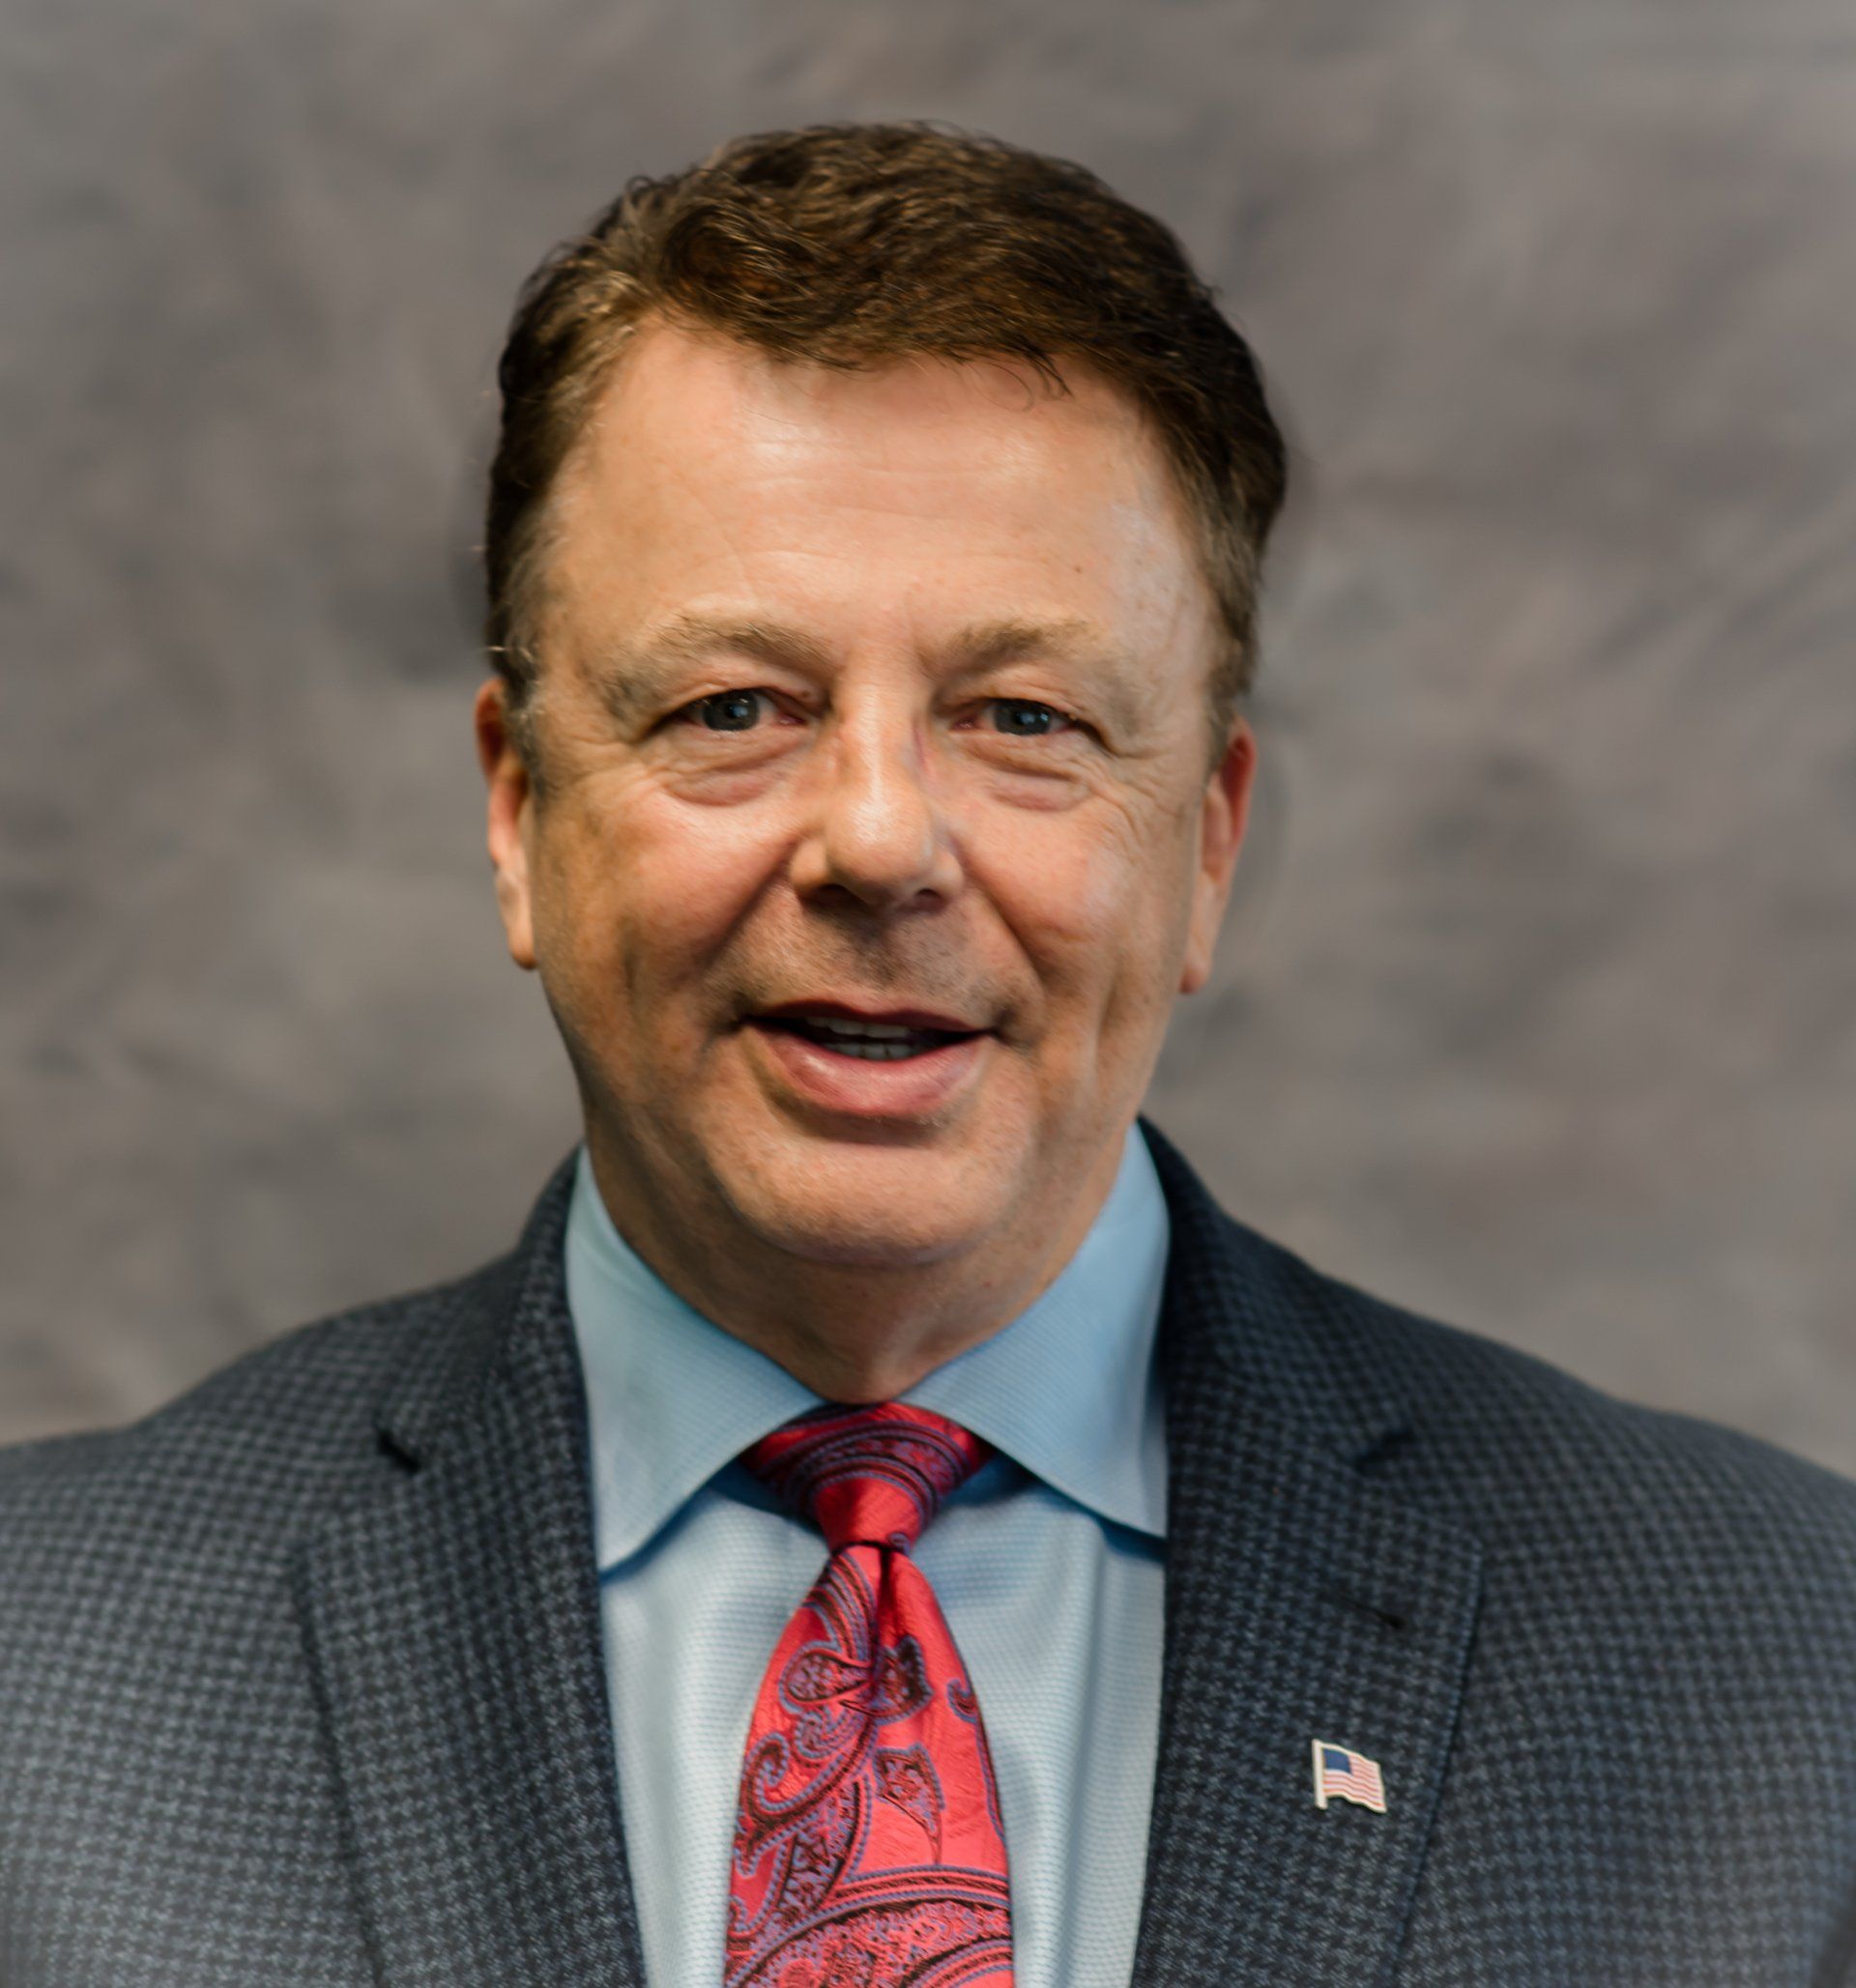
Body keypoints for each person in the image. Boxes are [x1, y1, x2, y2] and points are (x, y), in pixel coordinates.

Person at [2, 120, 1853, 1988]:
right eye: (736, 705)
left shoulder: (1788, 1680)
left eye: (1024, 715)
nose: (881, 842)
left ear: (1203, 845)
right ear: (516, 807)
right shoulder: (42, 1673)